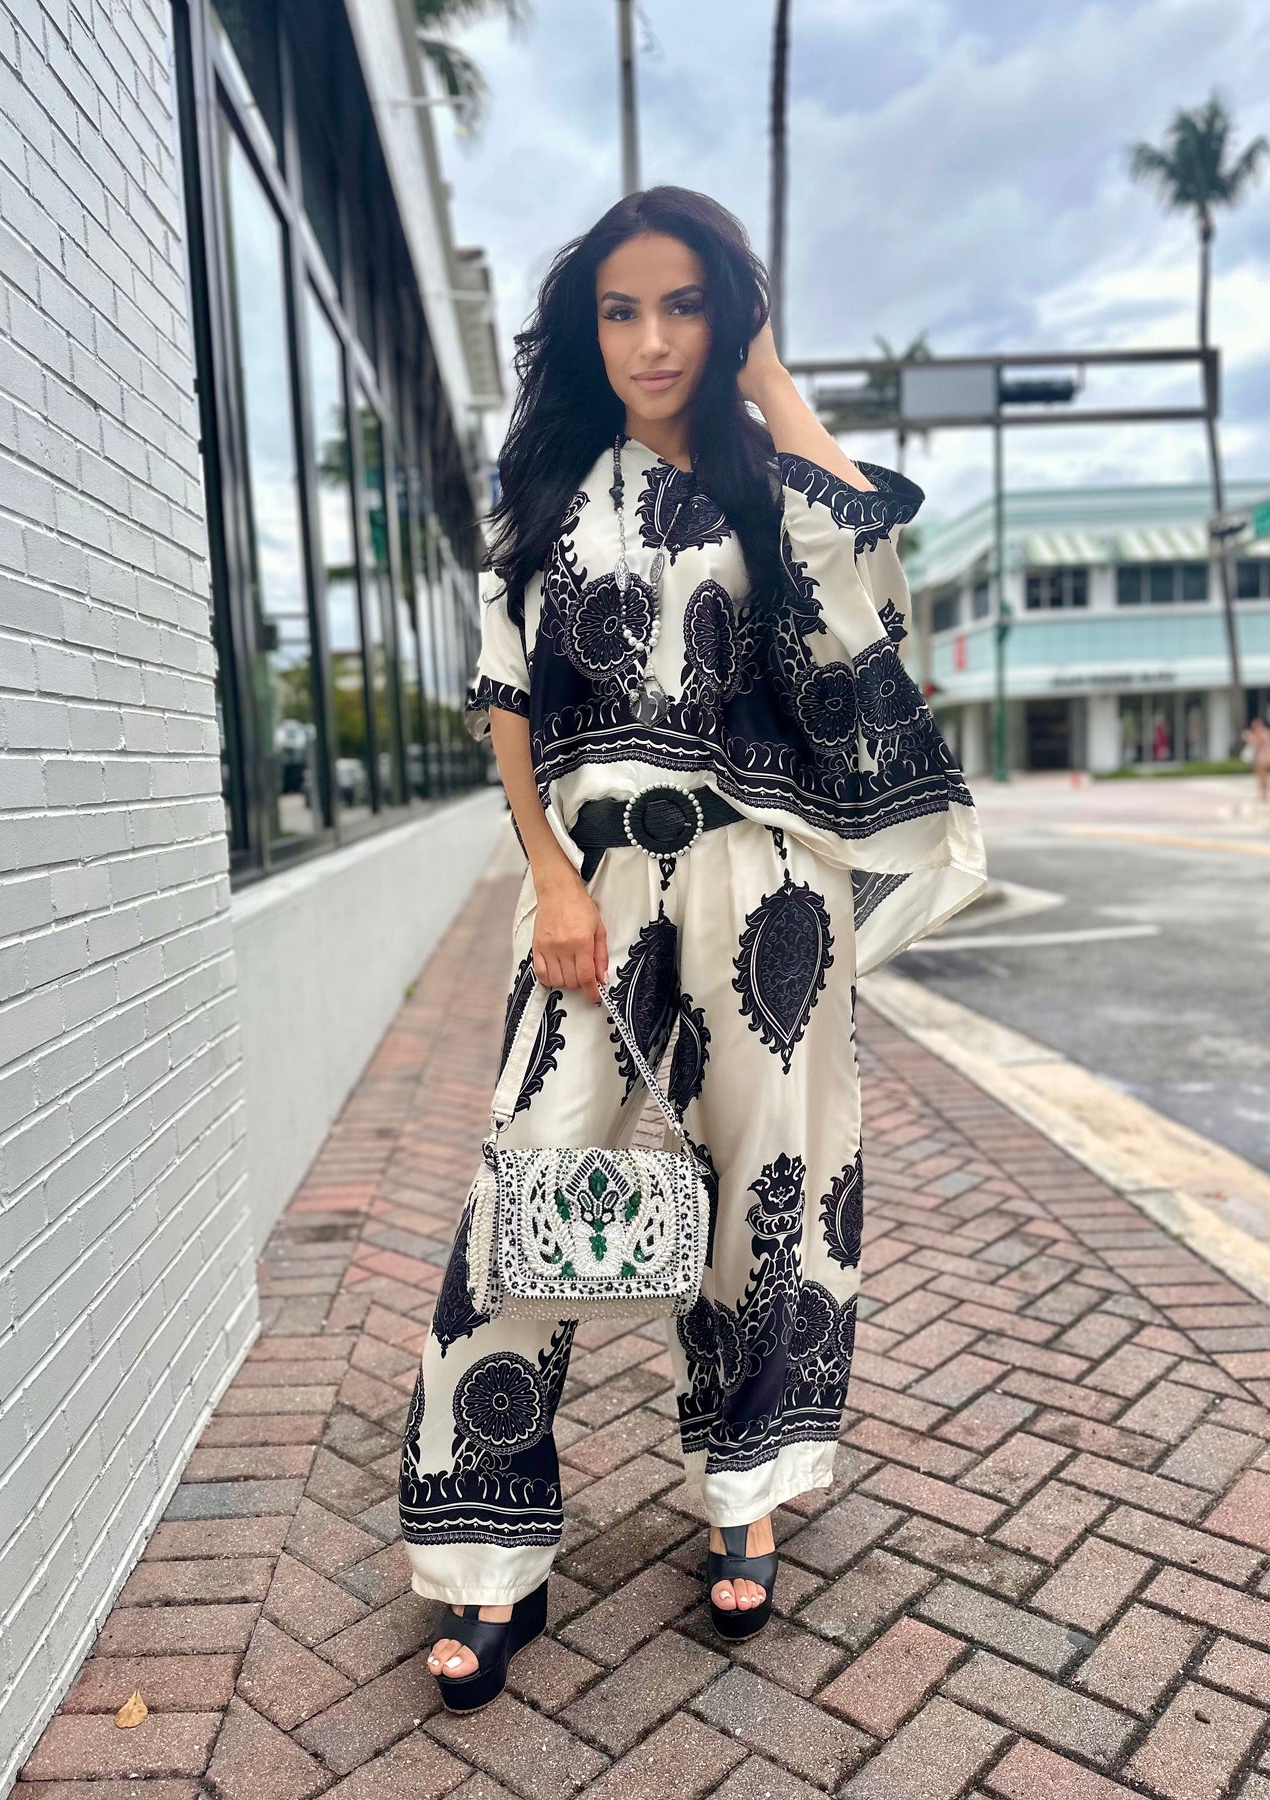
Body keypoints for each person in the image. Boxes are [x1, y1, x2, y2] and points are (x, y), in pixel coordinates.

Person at [398, 185, 987, 1711]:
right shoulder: (543, 487)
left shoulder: (755, 475)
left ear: (724, 313)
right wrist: (550, 875)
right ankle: (487, 1555)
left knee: (763, 1191)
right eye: (621, 309)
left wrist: (768, 372)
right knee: (532, 1183)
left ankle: (744, 1492)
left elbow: (866, 579)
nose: (652, 338)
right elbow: (506, 696)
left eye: (683, 305)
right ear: (585, 328)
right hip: (594, 888)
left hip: (765, 882)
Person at [1241, 715, 1270, 804]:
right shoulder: (1260, 733)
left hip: (1263, 757)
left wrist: (1251, 738)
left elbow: (1259, 744)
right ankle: (1262, 793)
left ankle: (1265, 794)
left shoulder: (1265, 733)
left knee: (1264, 776)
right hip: (1258, 757)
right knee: (1259, 776)